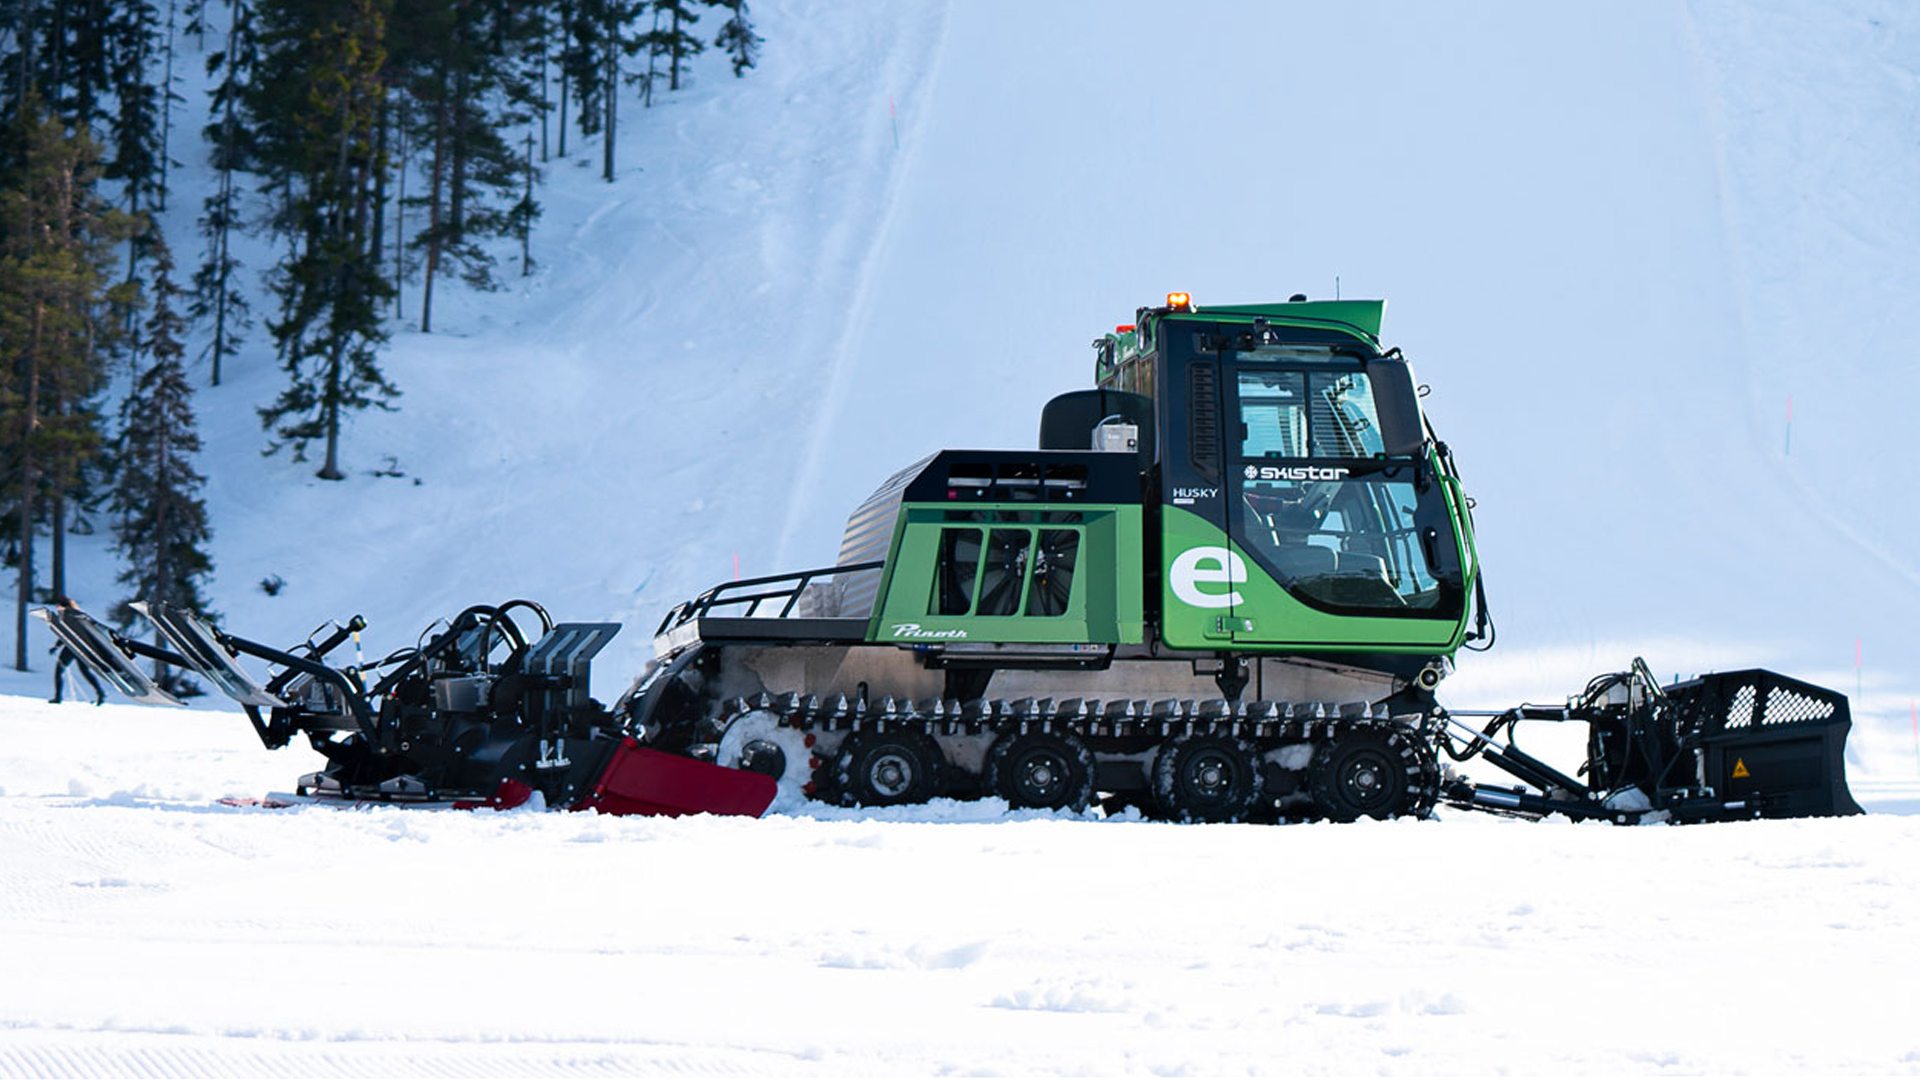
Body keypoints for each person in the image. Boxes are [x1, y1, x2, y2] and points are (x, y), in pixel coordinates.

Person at [47, 597, 105, 706]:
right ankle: (100, 693)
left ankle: (58, 697)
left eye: (58, 606)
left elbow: (65, 633)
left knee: (59, 671)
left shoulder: (67, 616)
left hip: (71, 647)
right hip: (82, 648)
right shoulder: (77, 615)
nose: (57, 608)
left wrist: (56, 647)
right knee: (85, 672)